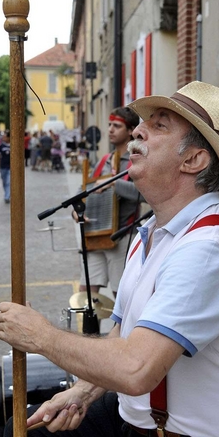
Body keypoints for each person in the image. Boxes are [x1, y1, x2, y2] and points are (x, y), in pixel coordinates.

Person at [0, 82, 219, 437]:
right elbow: (121, 335)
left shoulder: (210, 249)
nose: (138, 129)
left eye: (159, 126)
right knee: (20, 434)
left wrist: (41, 337)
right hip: (137, 423)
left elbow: (135, 368)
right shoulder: (150, 233)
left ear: (193, 160)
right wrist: (81, 392)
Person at [75, 107, 142, 298]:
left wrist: (113, 183)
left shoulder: (137, 161)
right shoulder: (105, 160)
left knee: (120, 294)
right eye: (110, 125)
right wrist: (76, 210)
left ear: (130, 131)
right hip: (95, 236)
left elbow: (144, 194)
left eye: (117, 126)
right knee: (86, 294)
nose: (111, 129)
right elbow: (83, 190)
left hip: (121, 236)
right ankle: (90, 330)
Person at [0, 130, 11, 203]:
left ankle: (7, 196)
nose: (3, 138)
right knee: (4, 182)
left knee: (8, 182)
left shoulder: (13, 145)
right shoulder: (1, 146)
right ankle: (6, 193)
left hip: (10, 167)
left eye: (5, 137)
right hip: (3, 166)